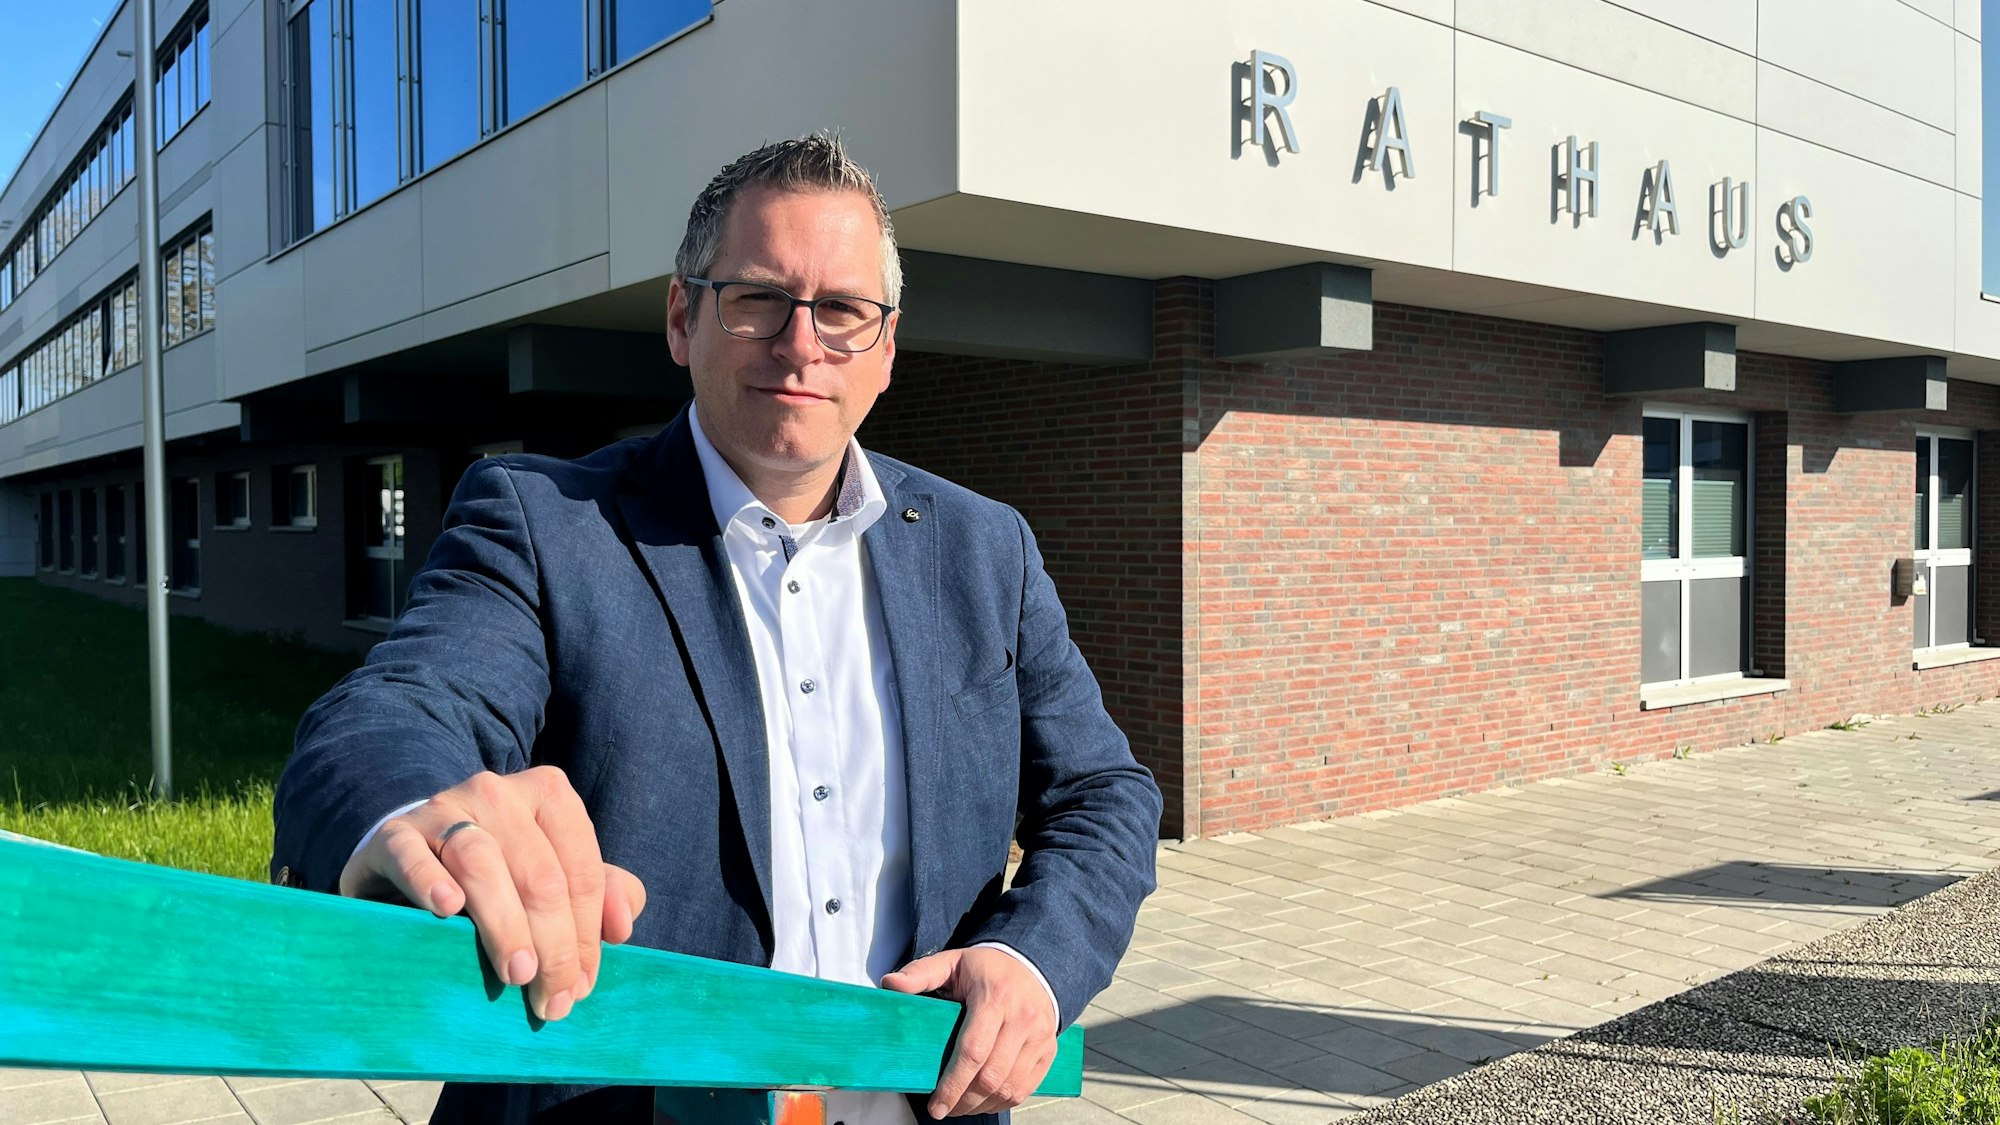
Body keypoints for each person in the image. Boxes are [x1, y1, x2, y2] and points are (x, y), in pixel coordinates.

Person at [270, 134, 1162, 1125]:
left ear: (886, 347)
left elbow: (1102, 792)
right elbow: (403, 706)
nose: (799, 344)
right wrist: (414, 805)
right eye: (756, 298)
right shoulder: (544, 524)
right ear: (680, 317)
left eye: (841, 310)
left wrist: (1030, 959)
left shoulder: (986, 550)